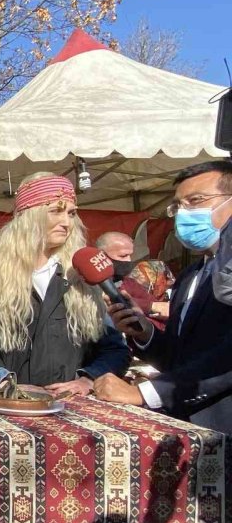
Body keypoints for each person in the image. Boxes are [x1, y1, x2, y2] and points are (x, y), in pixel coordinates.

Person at [0, 173, 129, 394]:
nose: (66, 222)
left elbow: (115, 350)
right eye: (55, 211)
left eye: (71, 213)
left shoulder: (83, 276)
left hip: (72, 410)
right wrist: (0, 382)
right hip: (6, 408)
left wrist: (88, 380)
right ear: (28, 216)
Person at [95, 160, 232, 432]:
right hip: (188, 435)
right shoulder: (189, 276)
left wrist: (145, 393)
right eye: (178, 206)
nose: (183, 214)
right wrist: (144, 333)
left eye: (196, 200)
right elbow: (178, 359)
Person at [95, 231, 167, 331]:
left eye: (130, 255)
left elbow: (157, 307)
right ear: (102, 255)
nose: (128, 261)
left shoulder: (129, 282)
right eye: (123, 256)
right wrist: (150, 307)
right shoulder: (91, 286)